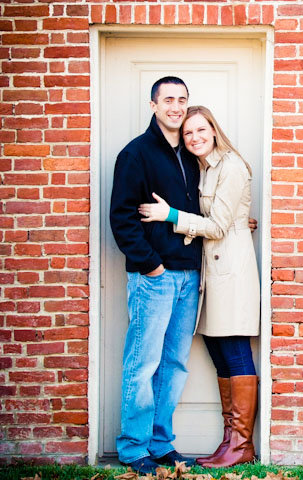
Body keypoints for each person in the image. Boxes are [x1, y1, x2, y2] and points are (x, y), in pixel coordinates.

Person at [138, 105, 260, 468]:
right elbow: (222, 217)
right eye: (188, 133)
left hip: (231, 273)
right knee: (218, 350)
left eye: (201, 130)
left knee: (234, 348)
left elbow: (219, 226)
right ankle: (231, 442)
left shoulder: (232, 165)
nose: (194, 138)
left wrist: (170, 215)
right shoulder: (204, 168)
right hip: (212, 272)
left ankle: (240, 445)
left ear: (213, 129)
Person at [109, 76, 200, 473]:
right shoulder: (137, 154)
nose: (176, 107)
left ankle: (161, 444)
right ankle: (133, 449)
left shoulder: (193, 155)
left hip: (188, 277)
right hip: (154, 277)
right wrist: (151, 265)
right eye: (168, 100)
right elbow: (122, 218)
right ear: (153, 105)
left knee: (174, 365)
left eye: (182, 100)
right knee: (142, 364)